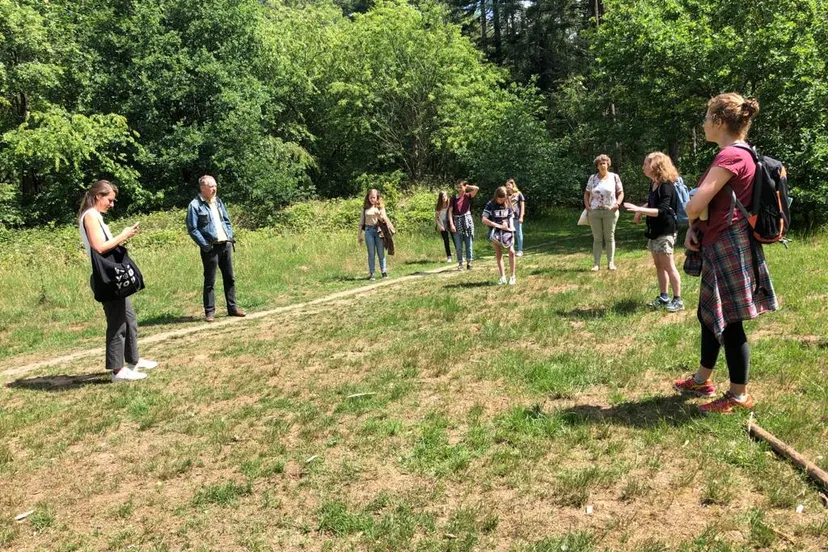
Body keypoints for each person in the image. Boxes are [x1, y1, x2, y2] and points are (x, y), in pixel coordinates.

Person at [673, 93, 777, 414]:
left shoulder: (730, 156)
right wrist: (695, 228)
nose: (703, 124)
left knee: (729, 319)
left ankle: (738, 396)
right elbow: (709, 207)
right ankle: (703, 378)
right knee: (709, 315)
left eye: (706, 118)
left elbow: (695, 203)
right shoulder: (739, 153)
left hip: (729, 244)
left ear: (719, 122)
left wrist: (691, 213)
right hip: (721, 240)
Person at [79, 180, 157, 382]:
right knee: (117, 323)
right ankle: (117, 371)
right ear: (98, 197)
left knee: (129, 319)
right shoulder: (90, 217)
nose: (112, 205)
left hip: (113, 278)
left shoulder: (96, 216)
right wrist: (123, 235)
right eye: (110, 200)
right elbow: (100, 247)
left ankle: (133, 361)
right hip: (106, 279)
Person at [624, 152, 684, 312]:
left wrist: (639, 209)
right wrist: (641, 210)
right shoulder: (654, 183)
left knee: (669, 265)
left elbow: (663, 210)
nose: (643, 167)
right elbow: (652, 203)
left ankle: (678, 299)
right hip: (655, 230)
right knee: (659, 265)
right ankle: (664, 297)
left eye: (645, 164)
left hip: (665, 230)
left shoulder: (666, 185)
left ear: (655, 166)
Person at [186, 175, 246, 322]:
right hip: (210, 248)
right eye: (211, 187)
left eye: (215, 186)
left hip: (225, 244)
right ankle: (210, 312)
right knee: (210, 281)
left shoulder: (218, 202)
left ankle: (232, 308)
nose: (214, 189)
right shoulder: (194, 206)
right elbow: (192, 229)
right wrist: (205, 245)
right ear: (202, 188)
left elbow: (226, 220)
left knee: (230, 278)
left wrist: (229, 236)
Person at [584, 154, 624, 271]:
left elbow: (620, 192)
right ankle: (596, 264)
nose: (602, 165)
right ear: (597, 166)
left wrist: (618, 204)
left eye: (604, 163)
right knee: (597, 238)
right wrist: (587, 206)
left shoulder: (614, 177)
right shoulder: (592, 178)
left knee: (609, 237)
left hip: (610, 211)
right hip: (594, 212)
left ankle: (611, 263)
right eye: (600, 163)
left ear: (608, 165)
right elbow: (586, 193)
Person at [358, 188, 395, 280]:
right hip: (368, 231)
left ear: (377, 197)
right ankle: (372, 273)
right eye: (370, 197)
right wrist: (359, 235)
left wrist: (379, 216)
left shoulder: (380, 207)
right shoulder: (365, 208)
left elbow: (385, 219)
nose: (372, 199)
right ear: (368, 197)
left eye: (374, 197)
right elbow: (361, 223)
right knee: (371, 253)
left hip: (378, 230)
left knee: (381, 252)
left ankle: (384, 272)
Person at [482, 186, 517, 285]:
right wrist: (498, 225)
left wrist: (510, 226)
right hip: (495, 232)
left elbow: (510, 217)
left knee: (512, 252)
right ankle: (502, 277)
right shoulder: (490, 204)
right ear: (496, 196)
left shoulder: (508, 203)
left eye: (504, 199)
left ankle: (512, 276)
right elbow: (484, 219)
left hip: (507, 232)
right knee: (499, 253)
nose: (501, 201)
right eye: (499, 199)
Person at [448, 180, 479, 271]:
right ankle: (460, 263)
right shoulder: (453, 198)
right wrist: (451, 224)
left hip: (467, 221)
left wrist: (468, 186)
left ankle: (469, 262)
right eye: (458, 187)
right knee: (458, 245)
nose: (459, 189)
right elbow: (450, 212)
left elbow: (476, 189)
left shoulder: (468, 196)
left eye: (461, 187)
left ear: (464, 187)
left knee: (468, 243)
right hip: (457, 221)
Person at [505, 179, 526, 256]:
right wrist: (510, 198)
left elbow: (522, 206)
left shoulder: (518, 194)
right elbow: (505, 205)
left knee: (518, 233)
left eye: (509, 185)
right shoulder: (505, 195)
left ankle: (520, 250)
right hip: (508, 217)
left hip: (517, 216)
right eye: (506, 185)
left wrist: (521, 216)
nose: (507, 187)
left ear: (513, 185)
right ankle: (511, 250)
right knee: (510, 234)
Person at [434, 191, 453, 263]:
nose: (444, 198)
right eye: (442, 196)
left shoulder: (449, 204)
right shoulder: (439, 207)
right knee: (446, 241)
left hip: (450, 223)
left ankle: (460, 255)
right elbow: (436, 218)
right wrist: (439, 226)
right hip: (442, 224)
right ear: (440, 198)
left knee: (455, 239)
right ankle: (449, 256)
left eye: (445, 196)